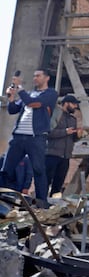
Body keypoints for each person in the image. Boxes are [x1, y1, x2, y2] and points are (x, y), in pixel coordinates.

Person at [1, 69, 58, 208]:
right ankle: (3, 199)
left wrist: (19, 88)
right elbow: (13, 109)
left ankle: (42, 203)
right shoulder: (29, 94)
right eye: (34, 76)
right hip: (18, 137)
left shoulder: (50, 94)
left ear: (47, 78)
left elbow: (33, 103)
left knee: (38, 170)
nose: (35, 78)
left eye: (38, 76)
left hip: (35, 138)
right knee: (6, 169)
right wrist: (11, 97)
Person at [46, 94, 81, 197]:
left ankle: (54, 203)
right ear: (66, 103)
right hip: (52, 154)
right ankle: (41, 202)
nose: (75, 106)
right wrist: (65, 132)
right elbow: (48, 133)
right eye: (73, 104)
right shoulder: (55, 115)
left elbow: (72, 138)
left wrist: (78, 135)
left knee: (59, 183)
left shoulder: (72, 119)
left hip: (65, 156)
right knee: (46, 181)